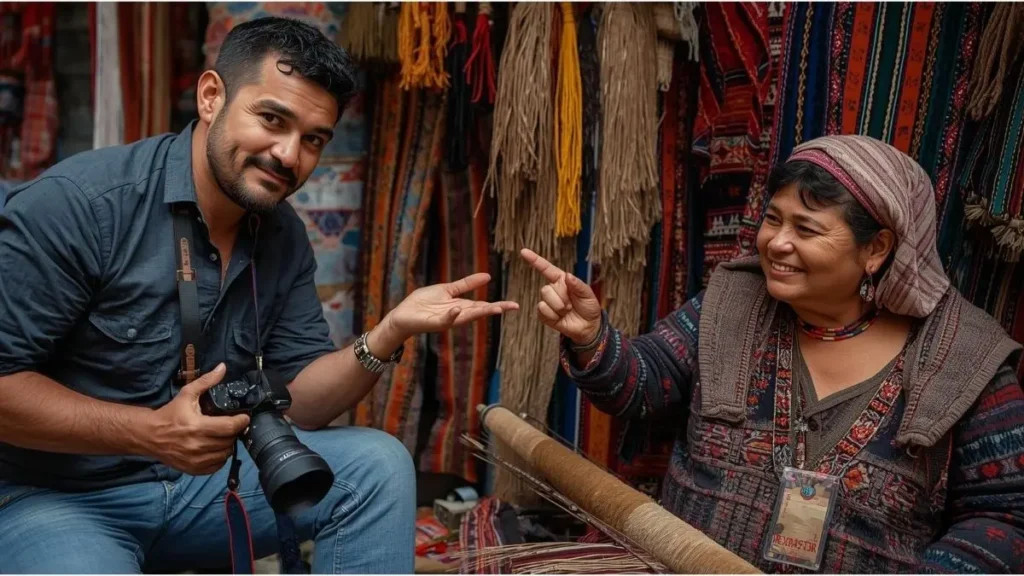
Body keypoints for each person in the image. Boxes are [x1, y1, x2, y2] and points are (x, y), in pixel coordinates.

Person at [0, 16, 516, 574]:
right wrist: (153, 434)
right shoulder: (82, 206)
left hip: (202, 489)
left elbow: (306, 402)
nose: (289, 156)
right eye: (272, 119)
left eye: (313, 139)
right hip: (57, 498)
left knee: (378, 466)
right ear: (211, 96)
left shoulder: (279, 230)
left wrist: (391, 332)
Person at [523, 135, 1024, 573]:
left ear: (877, 250)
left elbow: (1003, 516)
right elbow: (644, 384)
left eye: (806, 230)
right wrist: (592, 337)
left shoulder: (965, 359)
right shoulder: (732, 303)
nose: (777, 243)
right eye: (773, 219)